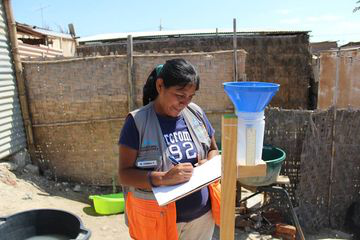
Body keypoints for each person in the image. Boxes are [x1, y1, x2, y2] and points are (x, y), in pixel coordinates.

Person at [118, 58, 220, 240]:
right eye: (180, 95)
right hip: (158, 222)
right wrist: (163, 178)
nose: (185, 103)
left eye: (190, 97)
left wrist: (210, 162)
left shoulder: (196, 113)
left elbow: (213, 149)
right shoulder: (137, 122)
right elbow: (125, 174)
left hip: (202, 220)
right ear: (160, 86)